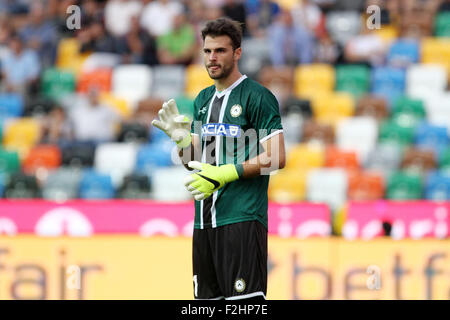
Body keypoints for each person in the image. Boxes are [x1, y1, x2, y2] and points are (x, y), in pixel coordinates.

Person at [152, 17, 286, 300]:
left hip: (242, 219)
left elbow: (276, 157)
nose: (212, 58)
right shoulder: (202, 101)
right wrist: (182, 141)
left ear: (237, 53)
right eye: (207, 51)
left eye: (220, 51)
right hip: (204, 223)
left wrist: (228, 173)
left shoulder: (258, 97)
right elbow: (195, 162)